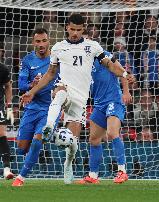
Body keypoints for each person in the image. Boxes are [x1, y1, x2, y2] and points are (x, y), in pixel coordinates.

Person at [21, 13, 132, 185]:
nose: (75, 34)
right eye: (72, 29)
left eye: (79, 30)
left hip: (95, 100)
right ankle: (50, 127)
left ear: (84, 31)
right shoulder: (59, 48)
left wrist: (125, 77)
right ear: (66, 28)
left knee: (96, 136)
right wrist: (33, 91)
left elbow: (112, 65)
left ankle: (112, 170)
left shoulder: (95, 49)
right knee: (62, 96)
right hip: (80, 96)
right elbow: (51, 73)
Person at [12, 28, 59, 187]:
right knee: (21, 148)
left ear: (49, 41)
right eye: (38, 41)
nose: (41, 44)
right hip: (32, 108)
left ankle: (21, 178)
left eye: (44, 40)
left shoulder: (56, 59)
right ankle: (39, 147)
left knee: (37, 140)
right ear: (33, 43)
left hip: (50, 109)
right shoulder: (27, 60)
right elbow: (21, 84)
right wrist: (31, 85)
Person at [77, 50, 132, 184]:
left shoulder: (103, 55)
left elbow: (121, 71)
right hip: (99, 104)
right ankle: (93, 176)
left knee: (112, 132)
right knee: (94, 139)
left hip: (113, 100)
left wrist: (126, 92)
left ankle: (122, 171)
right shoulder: (81, 62)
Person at [0, 63, 14, 180]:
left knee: (2, 135)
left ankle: (6, 169)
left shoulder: (2, 68)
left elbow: (8, 86)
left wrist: (9, 106)